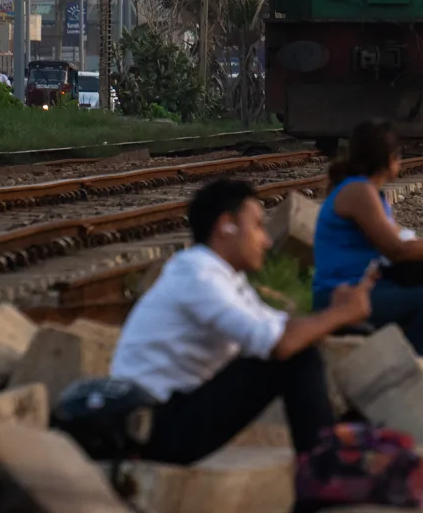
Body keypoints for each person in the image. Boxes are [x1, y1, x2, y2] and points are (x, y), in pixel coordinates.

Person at [110, 177, 374, 465]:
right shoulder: (198, 274)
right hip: (151, 428)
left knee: (306, 344)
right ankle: (323, 473)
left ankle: (322, 474)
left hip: (177, 412)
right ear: (226, 225)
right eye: (258, 226)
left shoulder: (227, 277)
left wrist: (336, 315)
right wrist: (339, 314)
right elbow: (279, 343)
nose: (267, 240)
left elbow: (279, 325)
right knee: (296, 356)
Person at [312, 121, 423, 355]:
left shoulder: (370, 193)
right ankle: (414, 362)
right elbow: (398, 250)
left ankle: (407, 352)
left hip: (360, 288)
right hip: (340, 296)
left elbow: (405, 241)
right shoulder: (359, 192)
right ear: (390, 160)